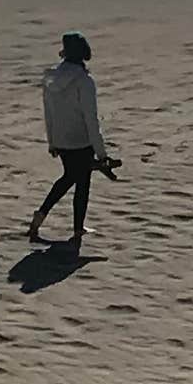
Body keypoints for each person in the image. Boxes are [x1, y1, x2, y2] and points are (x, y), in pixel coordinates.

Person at [29, 31, 118, 249]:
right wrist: (102, 153)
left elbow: (48, 112)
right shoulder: (84, 81)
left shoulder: (51, 78)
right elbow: (91, 118)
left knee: (74, 177)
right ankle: (50, 218)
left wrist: (52, 141)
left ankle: (67, 224)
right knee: (77, 180)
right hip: (80, 139)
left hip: (61, 137)